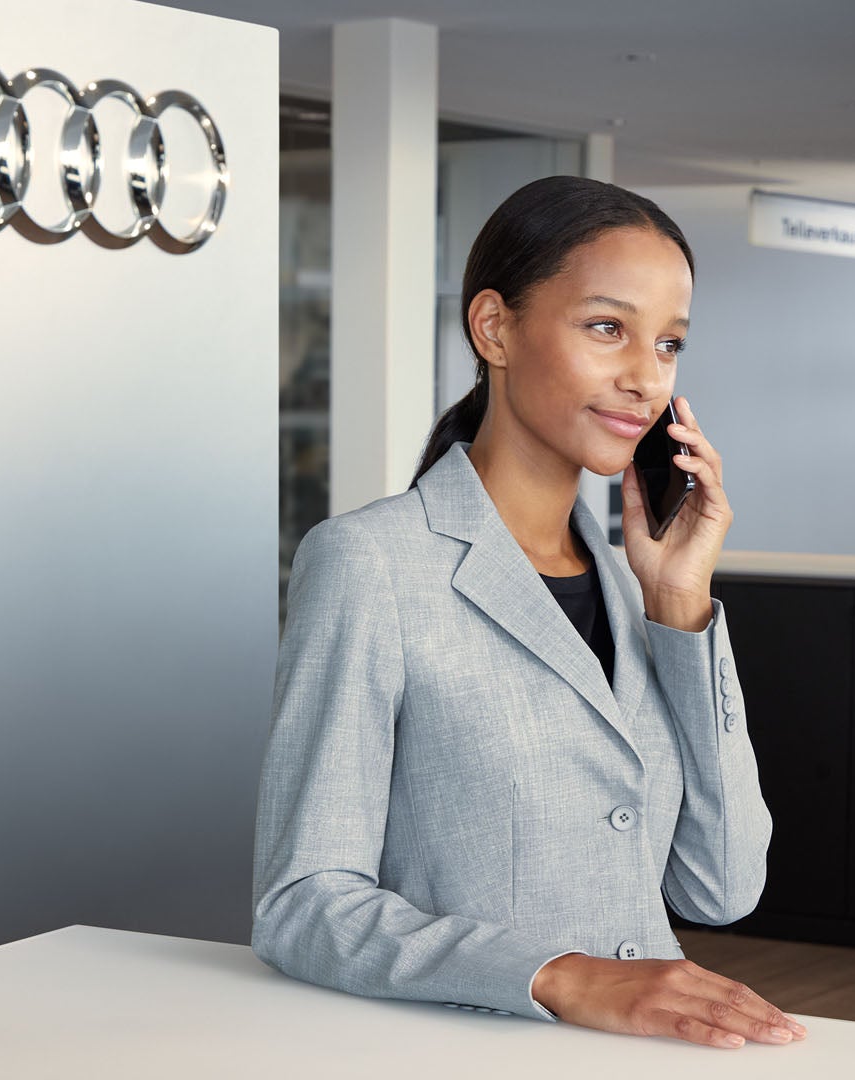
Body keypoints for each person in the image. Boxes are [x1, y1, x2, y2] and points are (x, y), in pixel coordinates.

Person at [252, 175, 801, 1051]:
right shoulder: (373, 565)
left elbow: (722, 887)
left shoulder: (636, 593)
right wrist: (563, 976)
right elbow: (302, 906)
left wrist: (682, 605)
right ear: (494, 328)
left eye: (668, 344)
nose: (644, 379)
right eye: (606, 328)